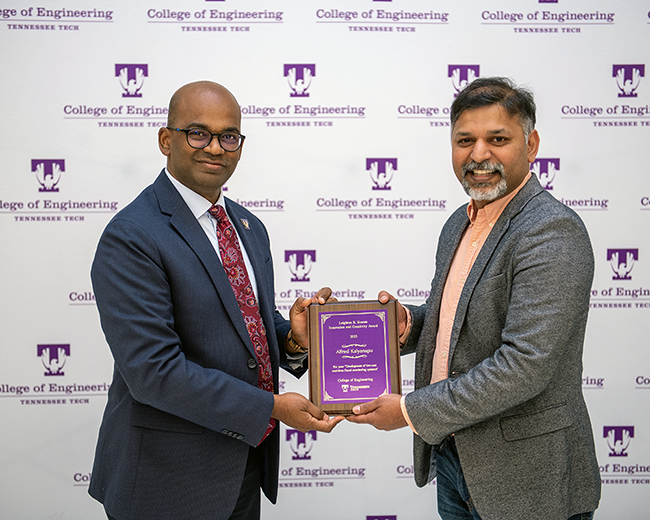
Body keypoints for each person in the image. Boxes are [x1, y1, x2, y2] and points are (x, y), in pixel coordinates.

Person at [347, 77, 601, 520]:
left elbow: (525, 364)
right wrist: (411, 324)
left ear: (531, 144)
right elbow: (460, 322)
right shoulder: (457, 224)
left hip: (527, 479)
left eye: (497, 139)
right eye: (465, 140)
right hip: (455, 457)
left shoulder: (551, 230)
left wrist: (409, 411)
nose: (479, 154)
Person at [88, 80, 343, 520]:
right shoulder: (132, 235)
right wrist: (271, 408)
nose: (216, 148)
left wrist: (294, 339)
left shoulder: (247, 225)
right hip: (165, 480)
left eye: (229, 136)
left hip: (242, 465)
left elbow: (245, 330)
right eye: (198, 132)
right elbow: (153, 372)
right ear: (167, 140)